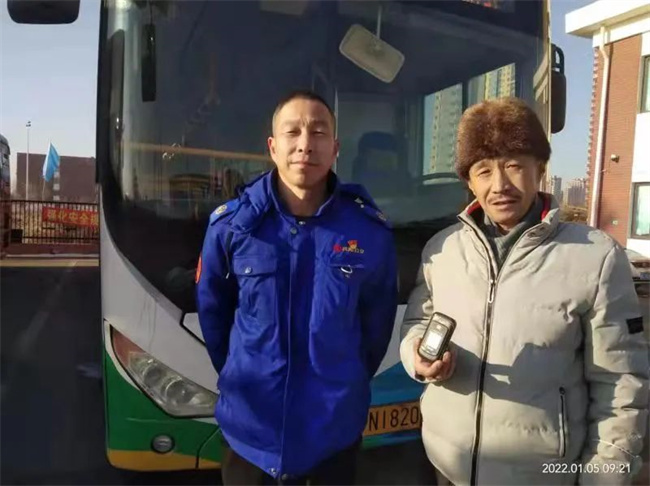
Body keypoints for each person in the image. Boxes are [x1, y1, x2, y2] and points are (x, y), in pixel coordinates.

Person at [400, 97, 649, 485]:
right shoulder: (442, 249)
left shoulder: (596, 257)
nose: (499, 185)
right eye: (484, 170)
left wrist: (605, 477)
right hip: (447, 465)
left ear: (540, 169)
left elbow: (621, 383)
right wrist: (416, 356)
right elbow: (418, 320)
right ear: (469, 182)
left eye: (514, 165)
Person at [196, 90, 397, 485]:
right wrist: (246, 368)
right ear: (273, 147)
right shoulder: (232, 227)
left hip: (333, 435)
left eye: (318, 133)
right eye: (293, 132)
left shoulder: (368, 232)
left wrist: (343, 381)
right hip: (251, 435)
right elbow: (214, 317)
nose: (305, 144)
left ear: (335, 148)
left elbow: (376, 328)